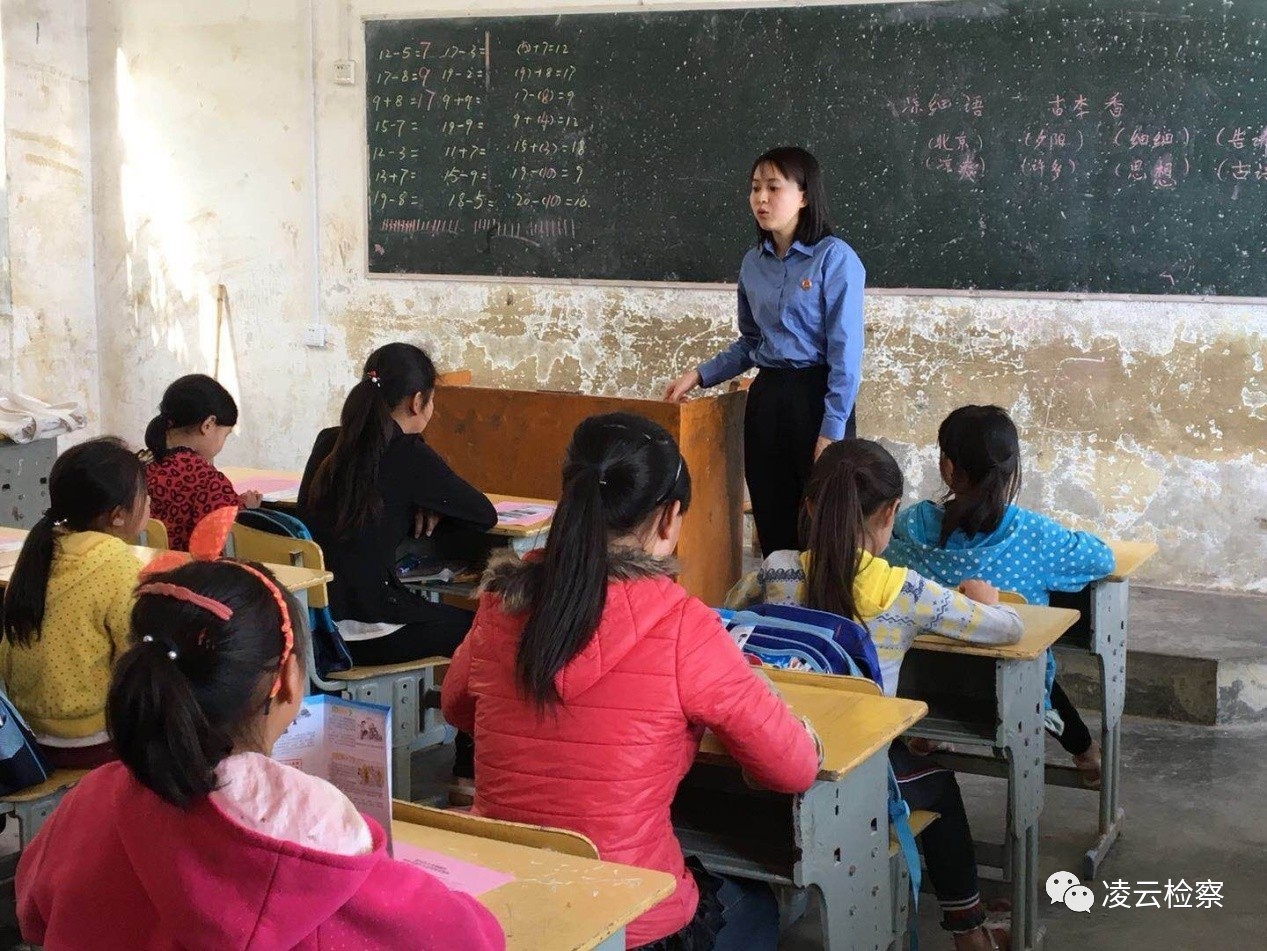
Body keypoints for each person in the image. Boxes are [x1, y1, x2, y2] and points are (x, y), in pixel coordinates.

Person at [15, 518, 504, 950]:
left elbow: (33, 915)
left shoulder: (90, 800)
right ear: (287, 683)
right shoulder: (319, 845)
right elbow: (470, 936)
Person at [442, 412, 821, 949]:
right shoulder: (684, 624)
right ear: (668, 520)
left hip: (509, 906)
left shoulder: (502, 602)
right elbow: (794, 768)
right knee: (756, 907)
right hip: (632, 921)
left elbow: (459, 709)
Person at [726, 438, 1021, 951]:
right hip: (854, 780)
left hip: (768, 760)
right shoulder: (904, 591)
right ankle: (968, 930)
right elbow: (1006, 630)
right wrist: (989, 599)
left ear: (811, 507)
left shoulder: (776, 569)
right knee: (941, 789)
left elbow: (729, 612)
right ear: (889, 513)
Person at [884, 404, 1115, 787]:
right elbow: (1102, 558)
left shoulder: (908, 527)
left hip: (919, 690)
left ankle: (926, 734)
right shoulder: (1033, 536)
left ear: (946, 467)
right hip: (1005, 695)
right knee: (1028, 660)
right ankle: (1085, 752)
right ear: (1011, 470)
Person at [664, 145, 865, 555]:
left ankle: (825, 616)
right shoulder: (752, 264)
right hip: (769, 398)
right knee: (773, 520)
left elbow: (846, 357)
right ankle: (779, 614)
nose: (761, 198)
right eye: (755, 188)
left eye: (774, 187)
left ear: (805, 195)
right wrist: (699, 375)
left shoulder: (834, 259)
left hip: (819, 398)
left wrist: (832, 430)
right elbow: (752, 343)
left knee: (824, 525)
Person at [298, 342, 496, 666]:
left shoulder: (327, 443)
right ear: (417, 402)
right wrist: (432, 503)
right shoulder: (408, 453)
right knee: (489, 629)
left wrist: (421, 500)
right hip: (371, 632)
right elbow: (482, 514)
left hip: (317, 629)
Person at [0, 437, 149, 768]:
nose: (150, 502)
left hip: (25, 730)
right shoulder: (115, 560)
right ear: (118, 516)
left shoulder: (41, 548)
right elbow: (135, 657)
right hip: (87, 739)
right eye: (145, 495)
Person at [144, 373, 260, 550]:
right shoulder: (208, 482)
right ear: (208, 425)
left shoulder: (137, 467)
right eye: (225, 435)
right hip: (189, 574)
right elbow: (229, 539)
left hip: (141, 570)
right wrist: (246, 509)